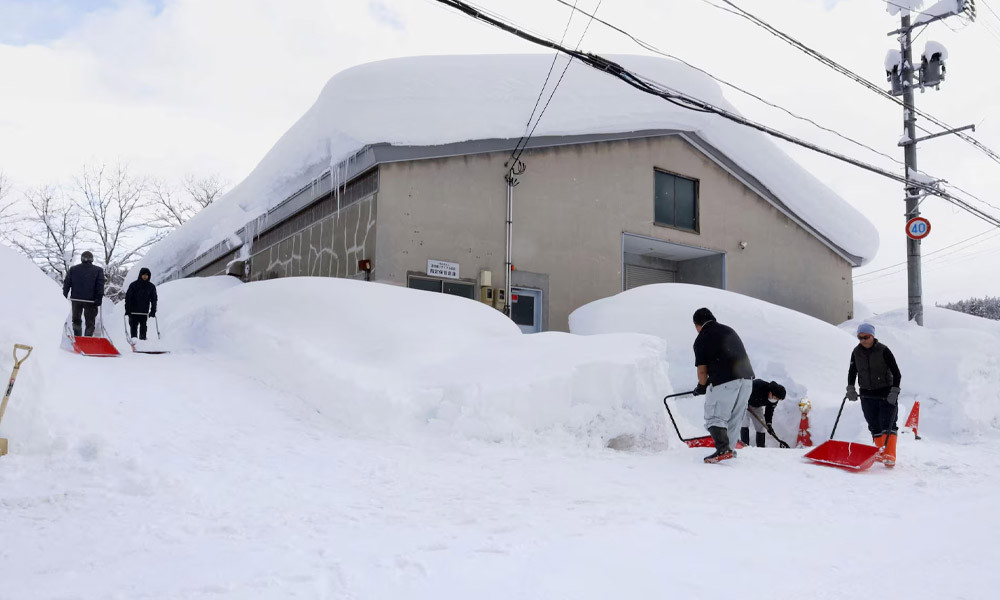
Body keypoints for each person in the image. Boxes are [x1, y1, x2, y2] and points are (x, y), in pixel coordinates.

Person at [692, 307, 755, 463]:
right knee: (735, 417)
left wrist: (701, 387)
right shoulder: (729, 330)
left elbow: (702, 370)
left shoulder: (702, 337)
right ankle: (728, 451)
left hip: (725, 380)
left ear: (697, 324)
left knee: (714, 417)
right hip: (747, 379)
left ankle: (723, 449)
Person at [846, 323, 902, 467]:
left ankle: (889, 454)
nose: (863, 340)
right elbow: (852, 372)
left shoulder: (883, 350)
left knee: (888, 422)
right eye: (860, 337)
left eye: (866, 337)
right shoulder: (856, 352)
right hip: (866, 393)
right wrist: (851, 388)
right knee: (873, 423)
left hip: (885, 392)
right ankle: (880, 453)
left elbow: (896, 373)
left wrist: (894, 391)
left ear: (872, 336)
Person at [62, 251, 105, 337]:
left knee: (76, 320)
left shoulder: (73, 269)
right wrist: (99, 298)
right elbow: (100, 285)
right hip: (91, 301)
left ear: (82, 259)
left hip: (76, 299)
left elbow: (67, 284)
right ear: (92, 259)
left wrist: (64, 296)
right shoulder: (98, 270)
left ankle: (77, 337)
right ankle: (87, 339)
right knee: (90, 322)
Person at [739, 380, 789, 448]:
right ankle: (744, 445)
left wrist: (768, 424)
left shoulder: (774, 399)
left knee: (761, 427)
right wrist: (744, 402)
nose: (775, 400)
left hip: (757, 407)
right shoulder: (758, 385)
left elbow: (769, 411)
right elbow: (743, 391)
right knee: (745, 422)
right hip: (744, 403)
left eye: (777, 399)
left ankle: (761, 448)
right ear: (771, 393)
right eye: (775, 398)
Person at [124, 267, 158, 343]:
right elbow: (128, 298)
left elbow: (154, 299)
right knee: (133, 327)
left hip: (144, 312)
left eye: (147, 275)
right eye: (143, 275)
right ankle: (134, 343)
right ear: (140, 275)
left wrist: (153, 311)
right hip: (133, 312)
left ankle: (143, 342)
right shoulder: (133, 285)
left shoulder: (151, 287)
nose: (145, 276)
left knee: (143, 328)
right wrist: (127, 309)